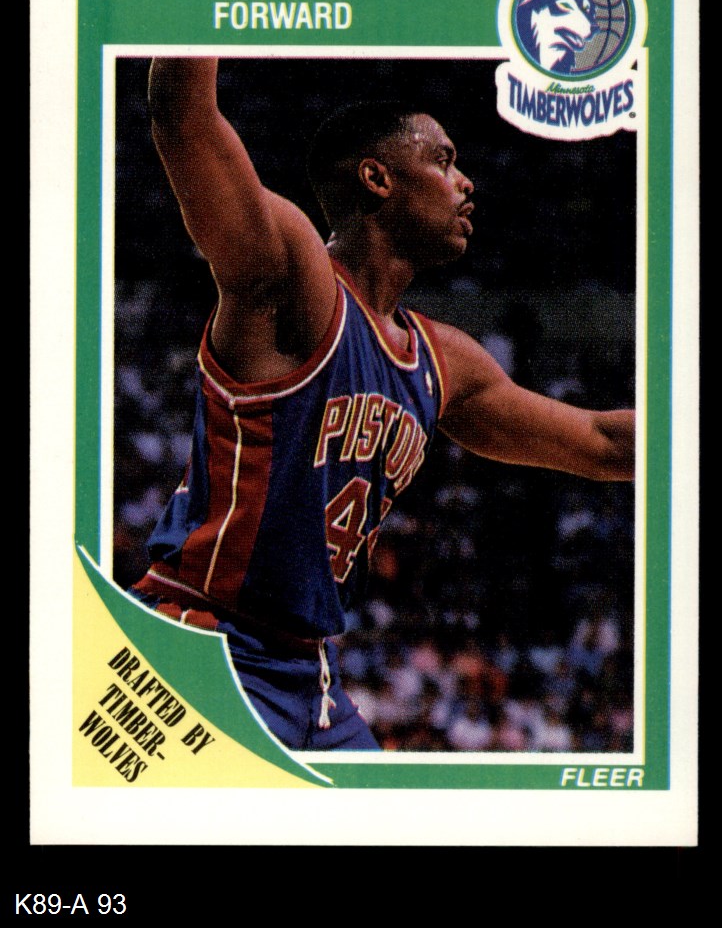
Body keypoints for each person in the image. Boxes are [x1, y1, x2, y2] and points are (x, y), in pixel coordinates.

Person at [129, 57, 634, 753]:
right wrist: (197, 2)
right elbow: (182, 116)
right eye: (444, 161)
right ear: (377, 178)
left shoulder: (442, 360)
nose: (466, 182)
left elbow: (604, 444)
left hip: (309, 673)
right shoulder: (293, 279)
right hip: (205, 643)